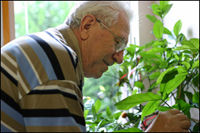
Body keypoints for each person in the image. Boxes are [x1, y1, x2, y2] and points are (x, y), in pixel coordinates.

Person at [1, 1, 191, 132]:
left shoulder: (46, 48)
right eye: (118, 42)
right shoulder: (55, 58)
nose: (120, 59)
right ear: (87, 26)